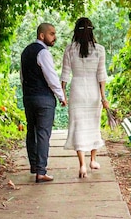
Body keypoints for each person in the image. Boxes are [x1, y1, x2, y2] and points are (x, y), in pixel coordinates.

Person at [61, 17, 109, 178]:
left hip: (77, 91)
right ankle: (93, 160)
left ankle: (82, 165)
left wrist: (63, 95)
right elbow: (101, 76)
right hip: (93, 91)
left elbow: (65, 75)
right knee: (93, 126)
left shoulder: (69, 50)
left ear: (76, 31)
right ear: (91, 30)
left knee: (78, 127)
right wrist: (103, 97)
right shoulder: (99, 50)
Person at [20, 22, 66, 183]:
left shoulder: (26, 51)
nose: (55, 37)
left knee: (31, 131)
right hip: (44, 98)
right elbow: (51, 77)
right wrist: (61, 96)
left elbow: (22, 77)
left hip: (28, 97)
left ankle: (34, 166)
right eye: (52, 34)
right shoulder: (43, 53)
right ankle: (41, 171)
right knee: (43, 134)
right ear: (42, 35)